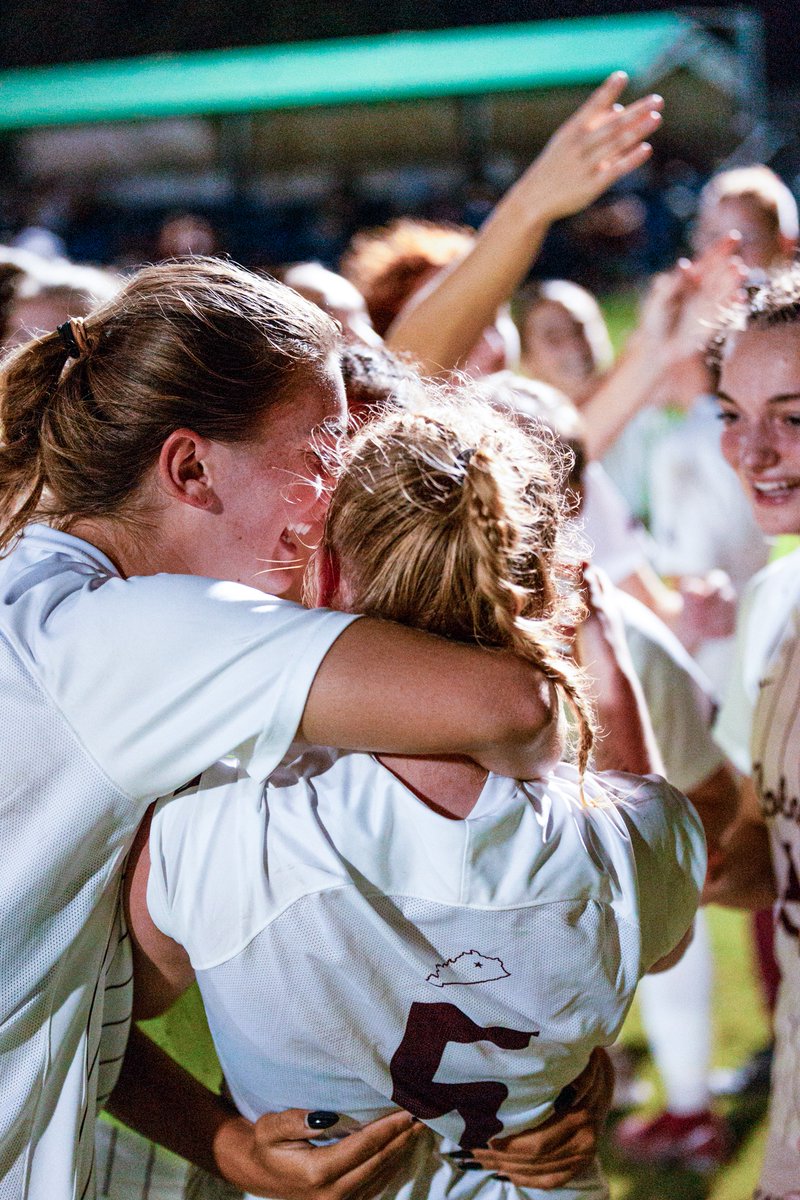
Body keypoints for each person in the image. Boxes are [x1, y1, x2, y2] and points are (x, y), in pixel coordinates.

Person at [0, 257, 570, 1200]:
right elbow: (512, 708)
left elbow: (68, 991)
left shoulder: (43, 590)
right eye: (321, 451)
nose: (336, 491)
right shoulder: (121, 641)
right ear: (190, 467)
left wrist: (221, 1141)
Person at [123, 389, 706, 1200]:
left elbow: (104, 1013)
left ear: (324, 574)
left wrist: (225, 1142)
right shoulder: (637, 842)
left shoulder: (220, 821)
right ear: (543, 593)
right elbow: (662, 930)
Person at [703, 266, 800, 1198]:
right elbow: (759, 860)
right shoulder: (771, 605)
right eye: (732, 412)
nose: (753, 451)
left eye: (794, 416)